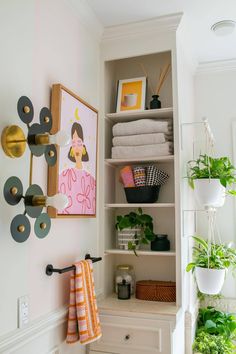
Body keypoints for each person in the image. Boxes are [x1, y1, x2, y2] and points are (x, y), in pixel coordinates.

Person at [59, 122, 96, 215]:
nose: (76, 148)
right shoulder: (64, 175)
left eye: (79, 143)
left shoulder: (91, 180)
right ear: (71, 149)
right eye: (73, 144)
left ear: (83, 147)